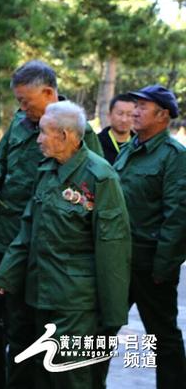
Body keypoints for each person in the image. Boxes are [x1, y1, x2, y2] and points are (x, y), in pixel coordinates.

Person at [0, 60, 104, 388]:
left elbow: (93, 198)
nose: (22, 107)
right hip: (1, 233)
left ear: (48, 92)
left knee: (23, 328)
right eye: (18, 101)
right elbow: (0, 162)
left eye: (26, 101)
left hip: (38, 247)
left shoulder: (76, 130)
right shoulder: (20, 123)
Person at [0, 100, 131, 389]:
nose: (39, 139)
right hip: (42, 292)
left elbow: (113, 248)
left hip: (76, 302)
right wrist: (7, 274)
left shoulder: (99, 177)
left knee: (71, 376)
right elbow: (28, 228)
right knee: (43, 373)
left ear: (65, 136)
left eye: (43, 133)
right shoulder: (47, 170)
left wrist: (113, 313)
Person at [114, 85, 186, 389]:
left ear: (163, 115)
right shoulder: (131, 148)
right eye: (135, 105)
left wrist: (164, 267)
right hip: (118, 259)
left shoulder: (174, 156)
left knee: (162, 335)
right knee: (101, 329)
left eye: (143, 106)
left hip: (149, 263)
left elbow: (178, 216)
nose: (135, 111)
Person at [97, 94, 136, 164]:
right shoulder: (96, 143)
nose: (124, 120)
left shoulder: (140, 145)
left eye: (129, 115)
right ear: (109, 115)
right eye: (120, 113)